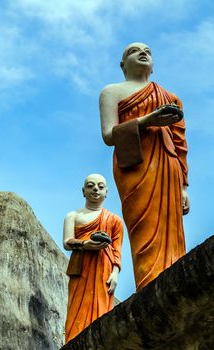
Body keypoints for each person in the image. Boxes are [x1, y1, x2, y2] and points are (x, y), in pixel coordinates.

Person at [99, 42, 190, 291]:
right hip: (135, 166)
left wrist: (184, 187)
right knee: (144, 231)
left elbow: (181, 145)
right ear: (122, 64)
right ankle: (150, 287)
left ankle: (175, 285)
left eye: (148, 51)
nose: (143, 53)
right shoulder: (112, 92)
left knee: (171, 230)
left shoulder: (170, 99)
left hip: (168, 165)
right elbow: (108, 135)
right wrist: (149, 120)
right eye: (134, 51)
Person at [63, 174, 123, 343]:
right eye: (90, 186)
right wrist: (86, 244)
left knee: (102, 310)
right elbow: (67, 242)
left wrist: (116, 273)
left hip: (104, 270)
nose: (95, 189)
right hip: (81, 268)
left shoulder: (115, 221)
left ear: (106, 192)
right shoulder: (73, 216)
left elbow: (117, 251)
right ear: (83, 191)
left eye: (100, 186)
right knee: (76, 310)